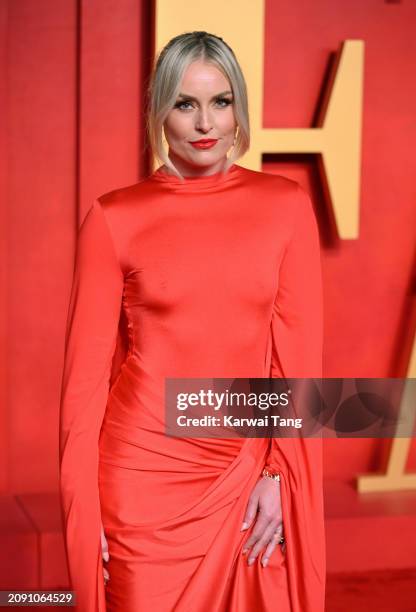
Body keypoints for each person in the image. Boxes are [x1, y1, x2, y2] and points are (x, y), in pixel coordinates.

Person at [59, 31, 325, 612]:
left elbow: (297, 361)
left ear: (239, 109)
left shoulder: (285, 207)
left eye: (220, 101)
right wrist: (84, 514)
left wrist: (280, 474)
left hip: (246, 471)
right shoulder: (113, 219)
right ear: (160, 111)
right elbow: (82, 390)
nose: (205, 122)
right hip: (141, 477)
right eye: (185, 103)